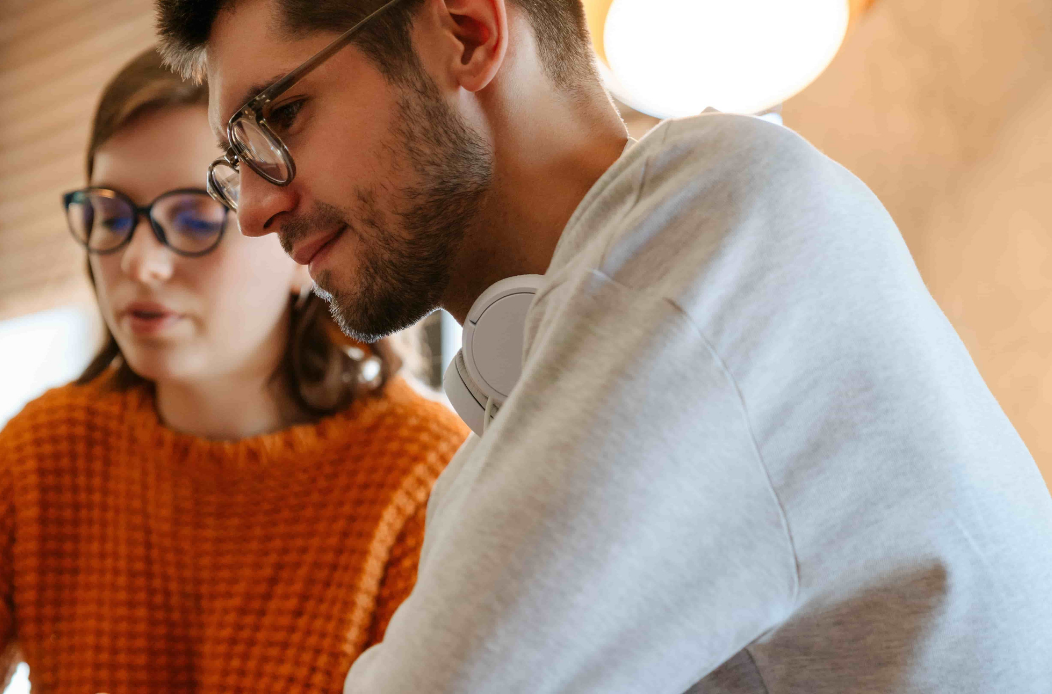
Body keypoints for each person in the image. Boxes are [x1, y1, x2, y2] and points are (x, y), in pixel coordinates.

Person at [153, 0, 1052, 691]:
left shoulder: (720, 216)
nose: (256, 208)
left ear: (467, 31)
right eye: (238, 158)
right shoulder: (497, 447)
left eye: (282, 114)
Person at [0, 48, 468, 694]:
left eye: (193, 218)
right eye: (111, 215)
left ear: (299, 242)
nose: (140, 264)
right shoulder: (45, 460)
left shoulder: (422, 479)